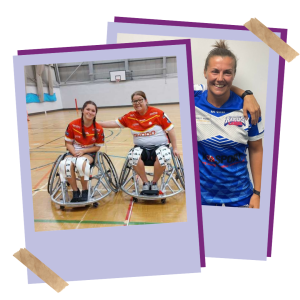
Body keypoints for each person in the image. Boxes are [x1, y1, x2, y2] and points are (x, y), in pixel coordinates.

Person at [195, 40, 264, 208]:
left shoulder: (250, 109)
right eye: (214, 71)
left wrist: (257, 193)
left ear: (233, 75)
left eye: (227, 73)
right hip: (201, 198)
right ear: (205, 72)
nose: (220, 78)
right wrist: (246, 92)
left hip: (240, 197)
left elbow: (256, 150)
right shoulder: (193, 97)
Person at [99, 91, 179, 194]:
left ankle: (154, 183)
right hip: (141, 148)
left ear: (146, 101)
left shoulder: (158, 113)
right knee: (133, 155)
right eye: (134, 101)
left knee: (163, 155)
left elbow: (171, 129)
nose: (137, 103)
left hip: (160, 146)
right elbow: (115, 123)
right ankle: (145, 183)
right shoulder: (130, 116)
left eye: (140, 100)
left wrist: (175, 148)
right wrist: (97, 124)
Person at [60, 101, 105, 202]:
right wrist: (74, 153)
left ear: (95, 113)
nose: (90, 112)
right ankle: (75, 191)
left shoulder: (98, 129)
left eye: (93, 110)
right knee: (65, 164)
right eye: (88, 109)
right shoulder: (72, 125)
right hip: (73, 151)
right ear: (82, 110)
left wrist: (84, 151)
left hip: (89, 152)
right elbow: (68, 143)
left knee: (81, 163)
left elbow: (97, 147)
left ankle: (85, 190)